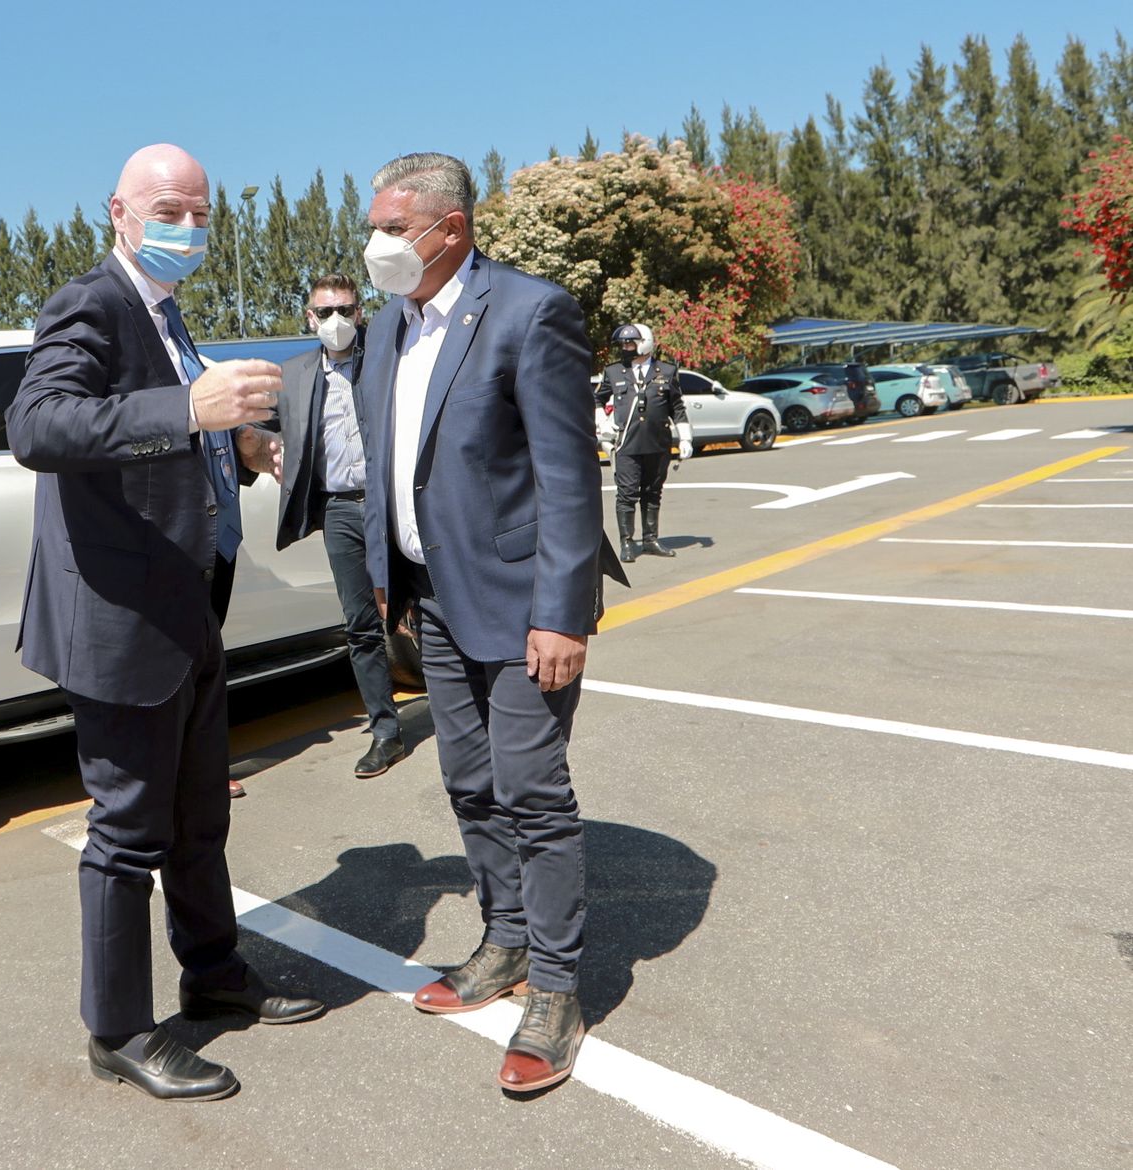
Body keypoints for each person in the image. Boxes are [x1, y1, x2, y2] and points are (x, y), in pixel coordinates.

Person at [5, 144, 323, 1104]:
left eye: (201, 210)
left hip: (188, 606)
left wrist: (240, 441)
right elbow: (41, 427)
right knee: (128, 832)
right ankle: (118, 1029)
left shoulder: (168, 312)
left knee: (200, 816)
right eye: (169, 207)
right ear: (119, 211)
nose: (187, 224)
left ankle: (214, 972)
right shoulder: (92, 303)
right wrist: (187, 404)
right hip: (122, 618)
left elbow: (170, 441)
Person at [357, 152, 627, 1093]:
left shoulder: (528, 310)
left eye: (394, 227)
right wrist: (388, 576)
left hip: (520, 607)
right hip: (432, 598)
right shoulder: (391, 328)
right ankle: (504, 940)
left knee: (531, 791)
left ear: (451, 229)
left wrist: (562, 611)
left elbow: (565, 473)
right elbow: (398, 465)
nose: (378, 243)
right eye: (377, 225)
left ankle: (556, 987)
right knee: (469, 780)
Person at [271, 273, 405, 778]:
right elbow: (257, 430)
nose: (335, 321)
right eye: (324, 312)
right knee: (361, 625)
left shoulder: (386, 359)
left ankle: (465, 707)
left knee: (428, 604)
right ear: (309, 317)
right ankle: (386, 730)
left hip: (392, 503)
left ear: (360, 313)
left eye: (345, 310)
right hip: (340, 510)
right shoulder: (295, 374)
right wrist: (264, 451)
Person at [604, 323, 692, 562]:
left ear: (644, 343)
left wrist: (685, 437)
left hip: (658, 444)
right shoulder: (613, 372)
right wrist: (602, 422)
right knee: (627, 494)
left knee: (653, 492)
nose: (625, 347)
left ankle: (651, 539)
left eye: (629, 343)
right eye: (623, 343)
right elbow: (596, 399)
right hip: (627, 445)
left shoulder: (667, 370)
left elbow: (677, 407)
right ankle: (627, 542)